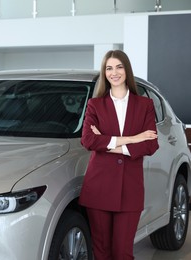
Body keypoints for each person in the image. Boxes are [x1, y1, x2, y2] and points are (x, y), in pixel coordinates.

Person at [79, 50, 159, 260]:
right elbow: (88, 140)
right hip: (99, 187)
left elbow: (151, 144)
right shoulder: (95, 105)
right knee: (102, 252)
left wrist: (105, 142)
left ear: (127, 70)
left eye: (119, 67)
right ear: (105, 73)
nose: (114, 72)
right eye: (109, 68)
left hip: (130, 189)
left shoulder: (144, 105)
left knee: (123, 253)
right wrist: (133, 139)